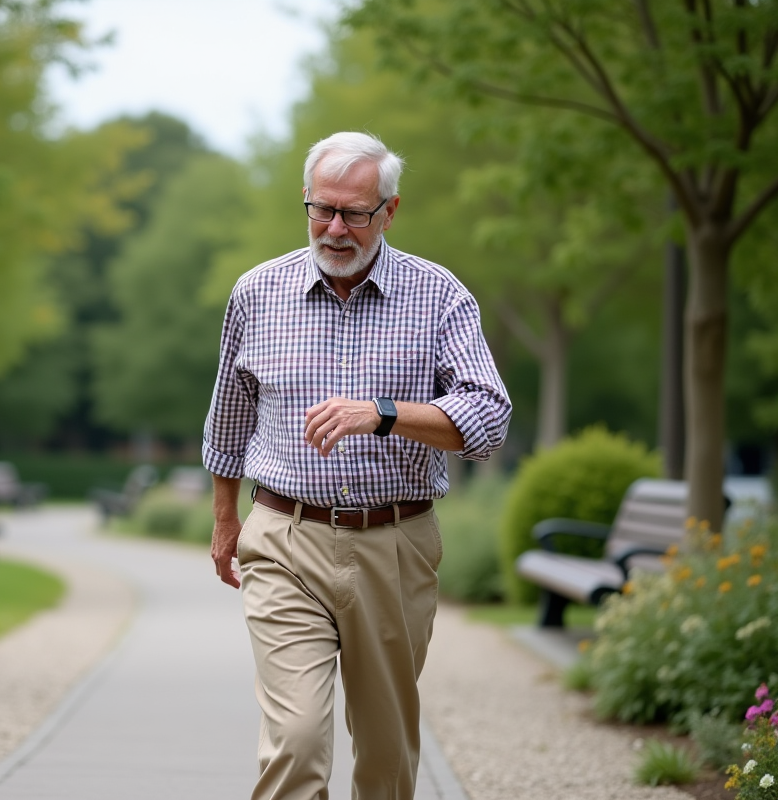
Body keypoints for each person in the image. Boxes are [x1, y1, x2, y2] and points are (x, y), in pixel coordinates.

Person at [202, 131, 511, 800]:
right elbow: (228, 420)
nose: (335, 229)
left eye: (355, 213)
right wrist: (226, 521)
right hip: (285, 538)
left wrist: (387, 412)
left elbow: (488, 417)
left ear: (390, 211)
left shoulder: (439, 297)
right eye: (322, 209)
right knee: (296, 743)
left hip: (393, 544)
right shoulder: (257, 293)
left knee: (385, 753)